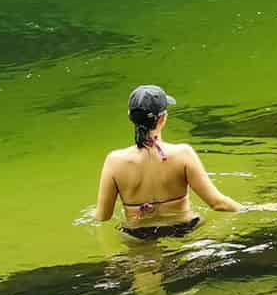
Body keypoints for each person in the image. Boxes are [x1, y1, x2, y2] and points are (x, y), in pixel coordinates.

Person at [95, 85, 241, 240]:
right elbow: (218, 204)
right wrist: (253, 209)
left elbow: (103, 216)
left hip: (138, 234)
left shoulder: (114, 161)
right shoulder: (183, 154)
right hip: (185, 228)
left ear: (131, 117)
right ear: (163, 118)